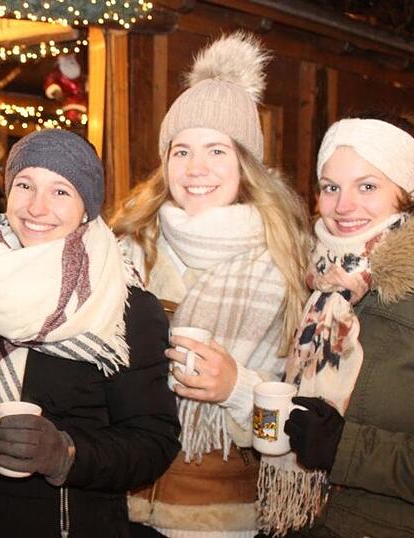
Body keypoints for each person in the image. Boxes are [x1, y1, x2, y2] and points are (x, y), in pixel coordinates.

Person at [111, 32, 310, 537]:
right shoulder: (128, 248)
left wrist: (237, 388)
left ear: (246, 164)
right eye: (181, 151)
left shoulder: (287, 262)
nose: (196, 169)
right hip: (120, 500)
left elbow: (310, 407)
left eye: (216, 150)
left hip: (220, 515)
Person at [0, 128, 181, 538]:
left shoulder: (122, 307)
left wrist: (66, 454)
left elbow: (153, 442)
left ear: (87, 206)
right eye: (25, 185)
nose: (37, 207)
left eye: (60, 191)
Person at [257, 112, 414, 537]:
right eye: (331, 187)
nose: (343, 206)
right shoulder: (321, 285)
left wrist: (347, 449)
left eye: (368, 186)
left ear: (408, 194)